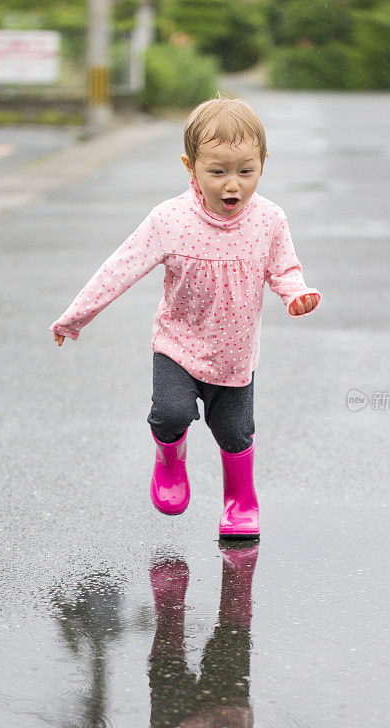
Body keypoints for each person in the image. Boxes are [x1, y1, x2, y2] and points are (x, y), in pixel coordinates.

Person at [50, 94, 322, 538]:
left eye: (246, 171)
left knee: (236, 433)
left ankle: (240, 502)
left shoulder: (269, 219)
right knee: (170, 413)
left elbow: (284, 268)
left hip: (234, 357)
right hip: (177, 345)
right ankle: (170, 463)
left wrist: (297, 293)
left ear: (263, 162)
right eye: (217, 172)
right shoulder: (170, 219)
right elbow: (120, 267)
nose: (232, 185)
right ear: (189, 166)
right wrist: (74, 317)